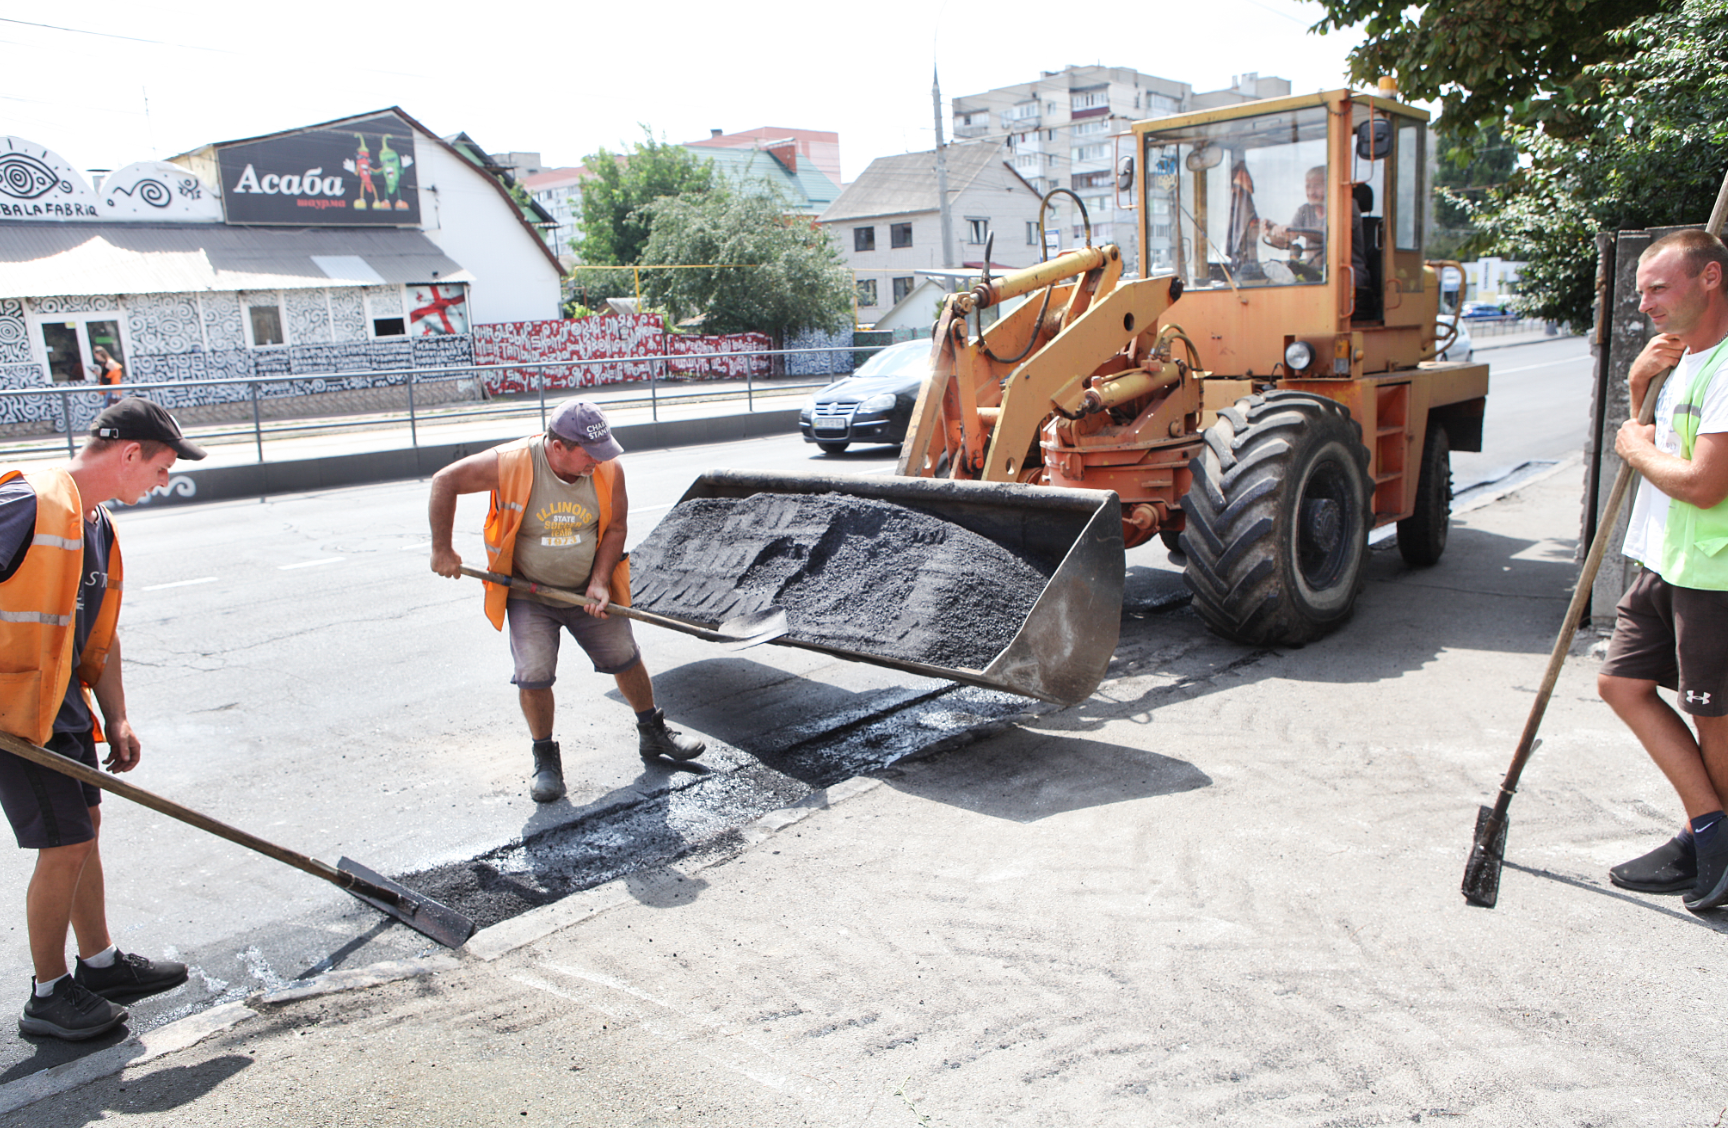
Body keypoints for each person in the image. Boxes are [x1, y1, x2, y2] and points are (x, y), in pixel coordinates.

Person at [1, 397, 205, 1041]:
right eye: (162, 467)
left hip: (61, 707)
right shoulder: (28, 502)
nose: (163, 481)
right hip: (14, 717)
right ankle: (48, 994)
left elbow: (101, 633)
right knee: (63, 844)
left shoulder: (94, 524)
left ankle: (100, 964)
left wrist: (116, 718)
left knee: (84, 828)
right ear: (129, 454)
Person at [428, 399, 706, 803]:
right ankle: (545, 759)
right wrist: (442, 548)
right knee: (534, 674)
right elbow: (444, 481)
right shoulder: (511, 463)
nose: (600, 459)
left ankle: (652, 733)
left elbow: (615, 527)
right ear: (557, 447)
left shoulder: (608, 468)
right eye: (589, 453)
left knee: (625, 655)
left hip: (586, 589)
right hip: (529, 593)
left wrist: (598, 582)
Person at [1599, 229, 1728, 912]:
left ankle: (1706, 842)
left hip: (1714, 569)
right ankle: (1710, 828)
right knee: (1622, 683)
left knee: (1715, 719)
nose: (1644, 303)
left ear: (1710, 278)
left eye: (1658, 288)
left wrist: (1632, 446)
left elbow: (1704, 483)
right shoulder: (1687, 362)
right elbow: (1656, 446)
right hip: (1665, 556)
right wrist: (1637, 385)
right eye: (1640, 290)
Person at [1262, 165, 1371, 299]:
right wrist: (1273, 232)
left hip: (1346, 274)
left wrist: (1295, 230)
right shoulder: (1304, 210)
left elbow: (1330, 233)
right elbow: (1288, 238)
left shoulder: (1348, 205)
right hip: (1314, 274)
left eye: (1317, 186)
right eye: (1308, 187)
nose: (1311, 192)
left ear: (1330, 185)